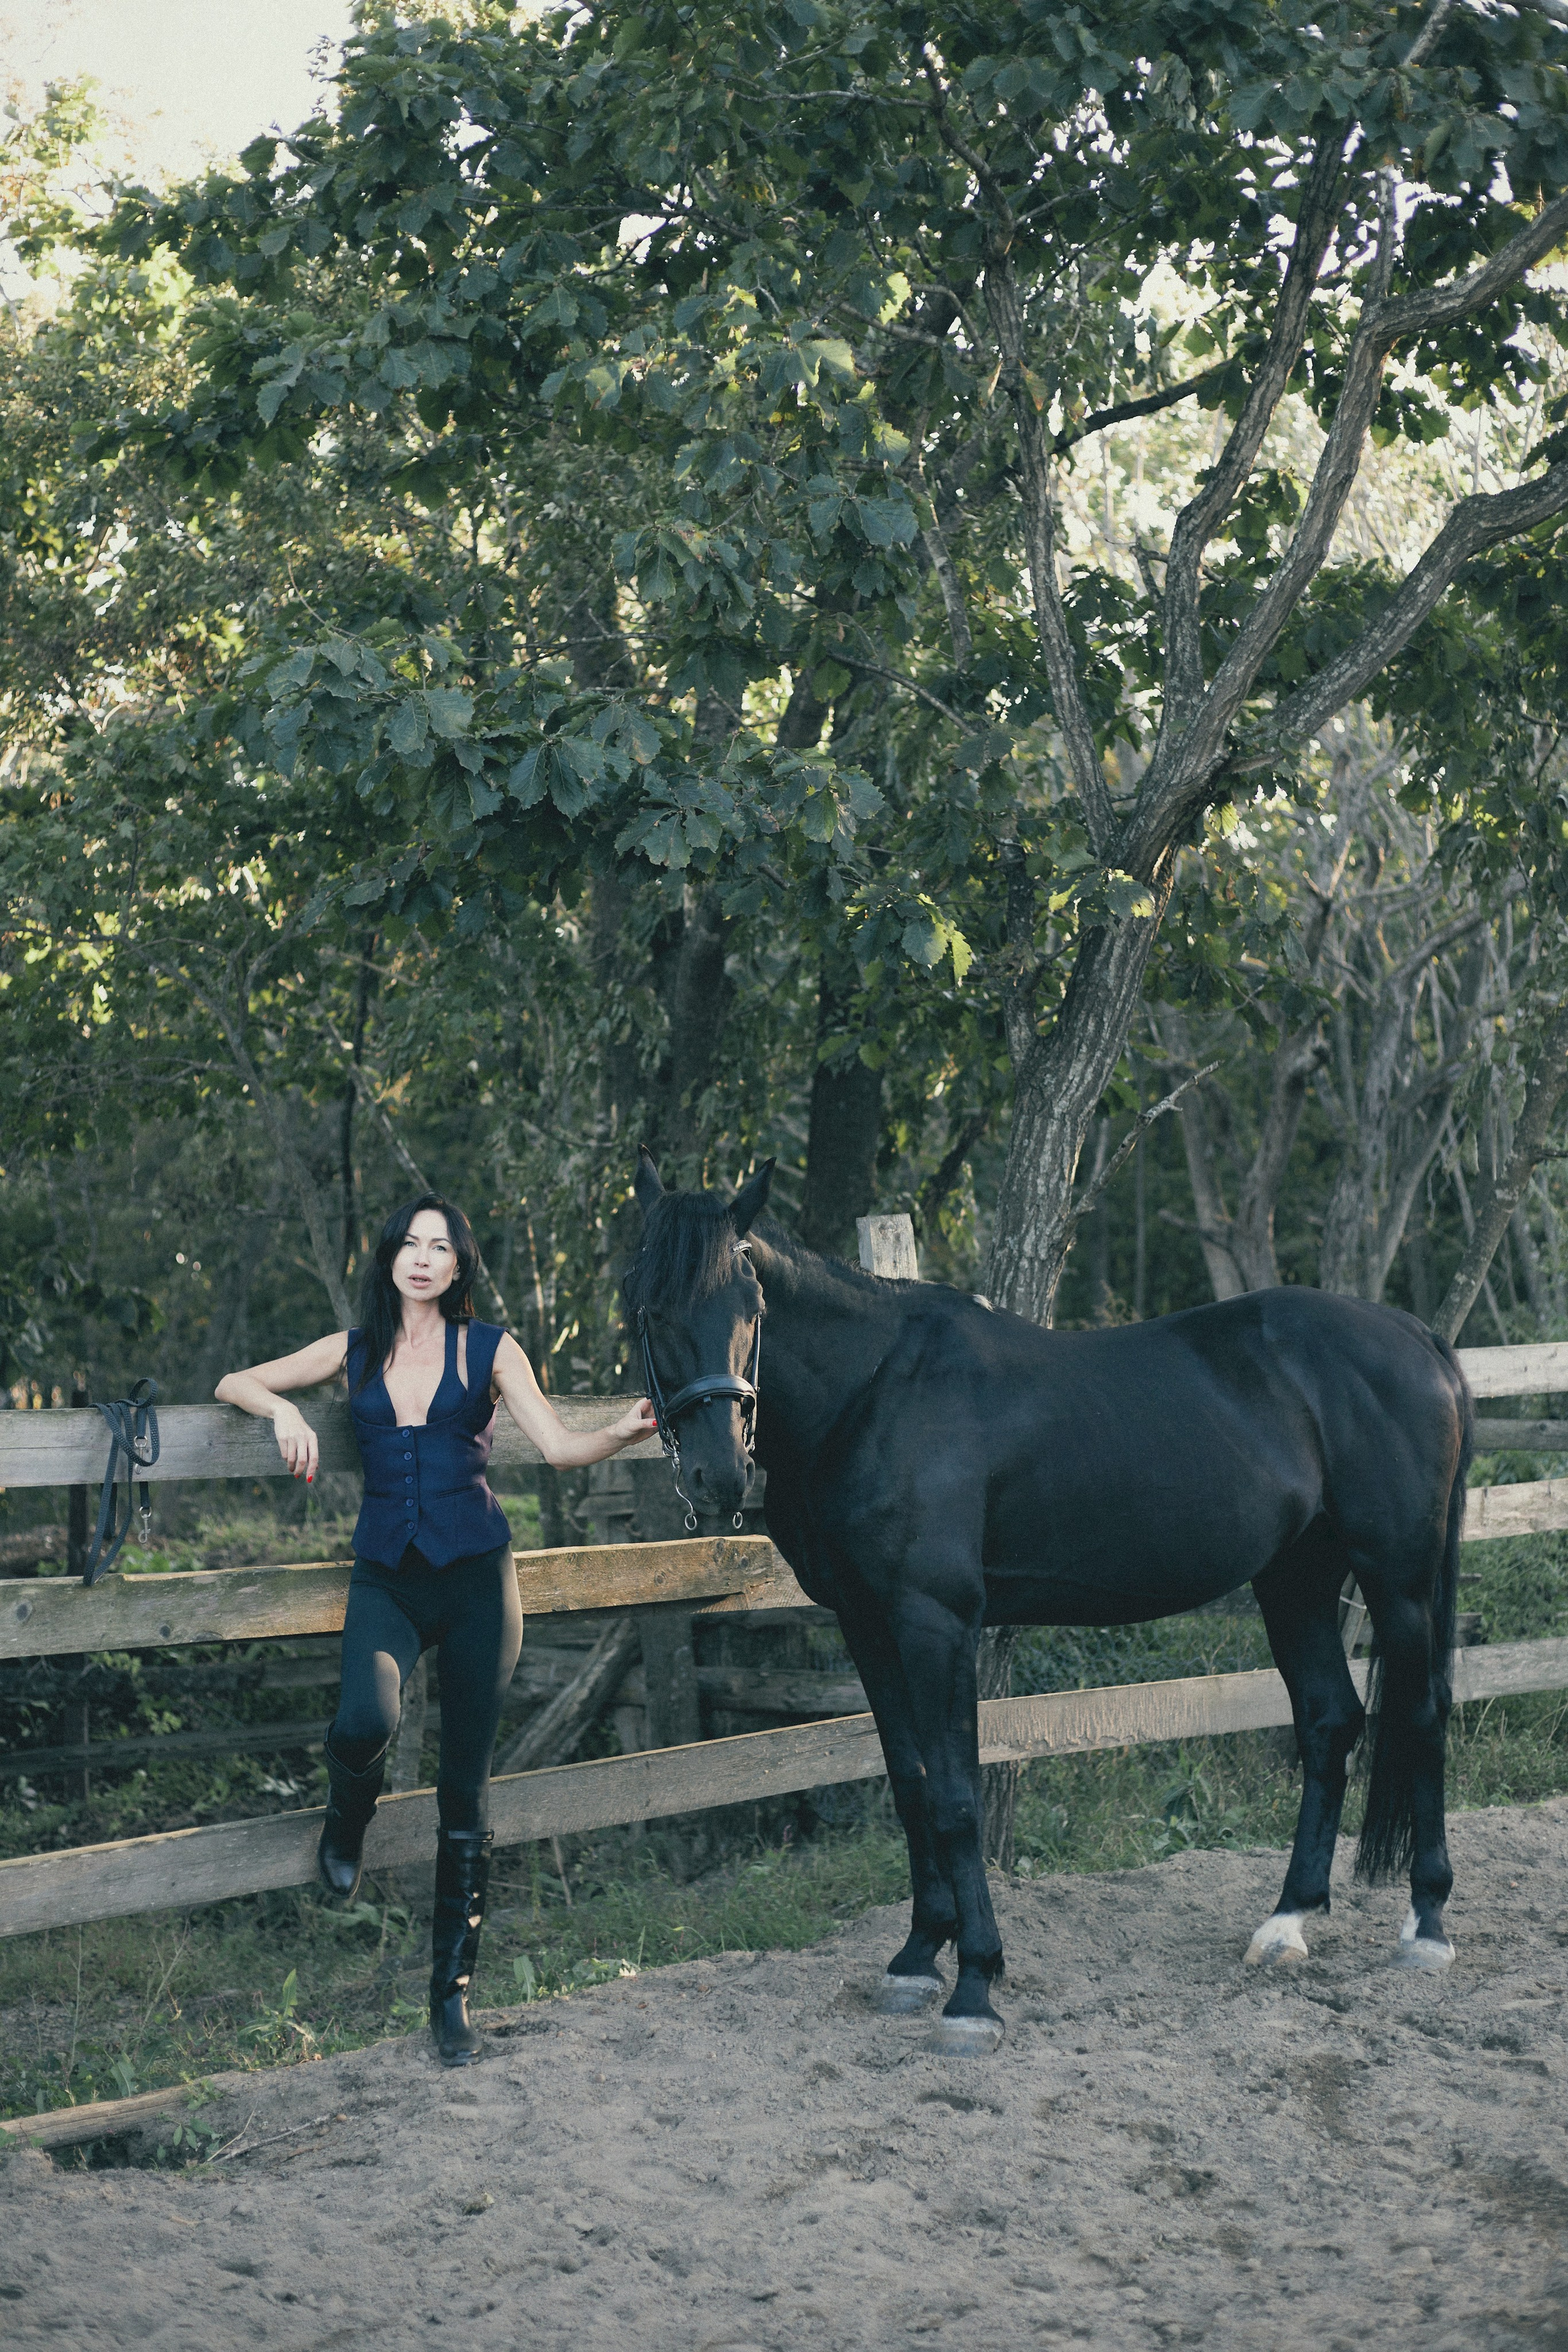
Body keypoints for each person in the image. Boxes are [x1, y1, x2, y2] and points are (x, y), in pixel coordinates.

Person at [216, 1191, 656, 2066]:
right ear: (390, 1258)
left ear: (459, 1266)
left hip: (478, 1585)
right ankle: (348, 1821)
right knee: (363, 1720)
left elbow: (559, 1447)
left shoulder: (492, 1350)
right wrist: (284, 1412)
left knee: (467, 1792)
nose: (422, 1258)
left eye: (440, 1247)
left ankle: (451, 1995)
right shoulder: (354, 1350)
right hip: (386, 1577)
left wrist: (619, 1430)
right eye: (409, 1245)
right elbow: (237, 1381)